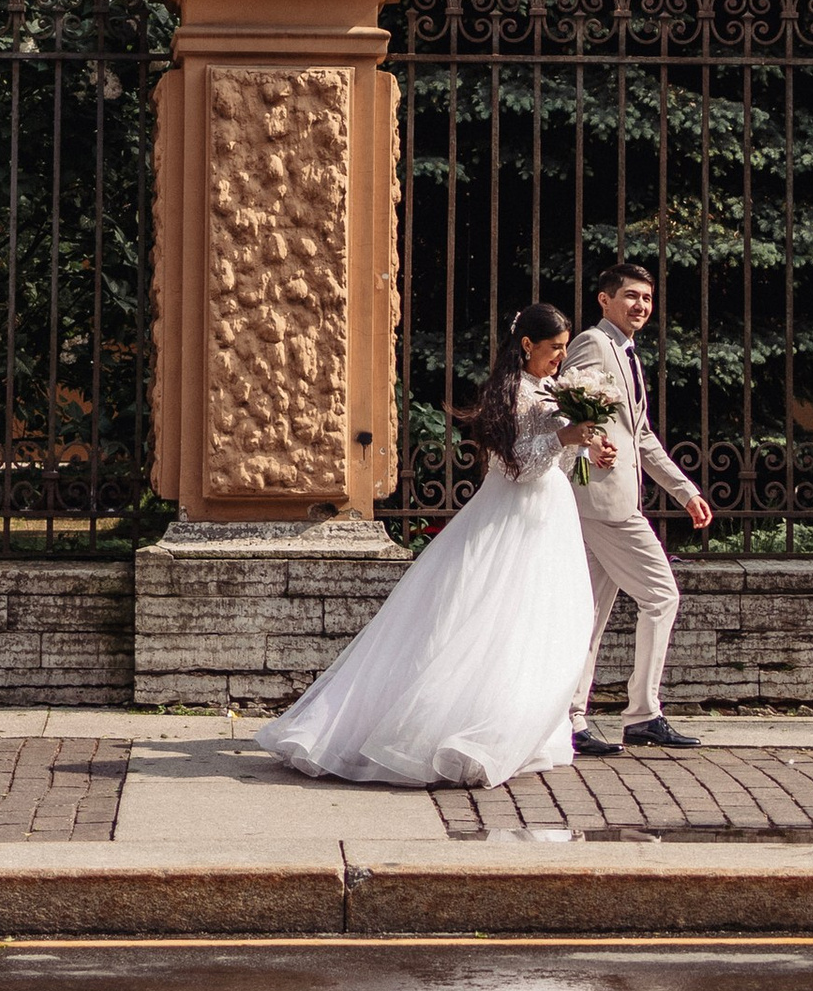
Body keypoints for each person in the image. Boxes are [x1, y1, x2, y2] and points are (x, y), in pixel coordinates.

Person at [255, 305, 613, 788]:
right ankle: (433, 729)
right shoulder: (506, 394)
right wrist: (563, 436)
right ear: (527, 345)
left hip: (548, 520)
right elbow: (514, 469)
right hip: (506, 522)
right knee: (476, 619)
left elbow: (552, 463)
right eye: (554, 348)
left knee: (532, 624)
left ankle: (514, 726)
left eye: (565, 348)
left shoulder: (550, 390)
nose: (561, 357)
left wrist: (583, 444)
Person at [559, 257, 712, 756]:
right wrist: (591, 443)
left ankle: (571, 718)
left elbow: (640, 434)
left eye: (646, 298)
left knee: (591, 615)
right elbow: (568, 404)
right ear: (605, 300)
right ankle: (643, 713)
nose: (641, 305)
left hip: (606, 498)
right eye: (631, 296)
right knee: (662, 595)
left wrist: (683, 490)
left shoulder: (627, 352)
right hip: (604, 501)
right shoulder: (593, 343)